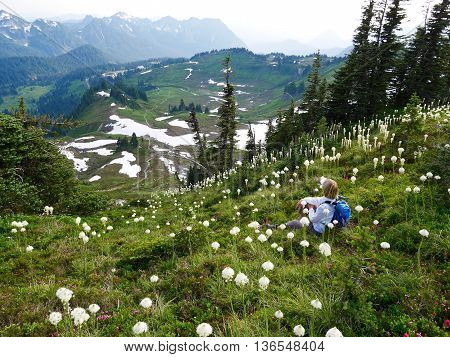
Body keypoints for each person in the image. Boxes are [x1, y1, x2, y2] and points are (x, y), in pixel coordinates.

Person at [265, 178, 339, 235]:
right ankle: (300, 221)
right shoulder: (335, 198)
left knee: (294, 223)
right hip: (325, 221)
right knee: (305, 204)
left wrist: (310, 209)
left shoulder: (323, 207)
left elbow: (313, 219)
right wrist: (303, 200)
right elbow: (316, 200)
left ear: (324, 190)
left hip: (317, 230)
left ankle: (275, 227)